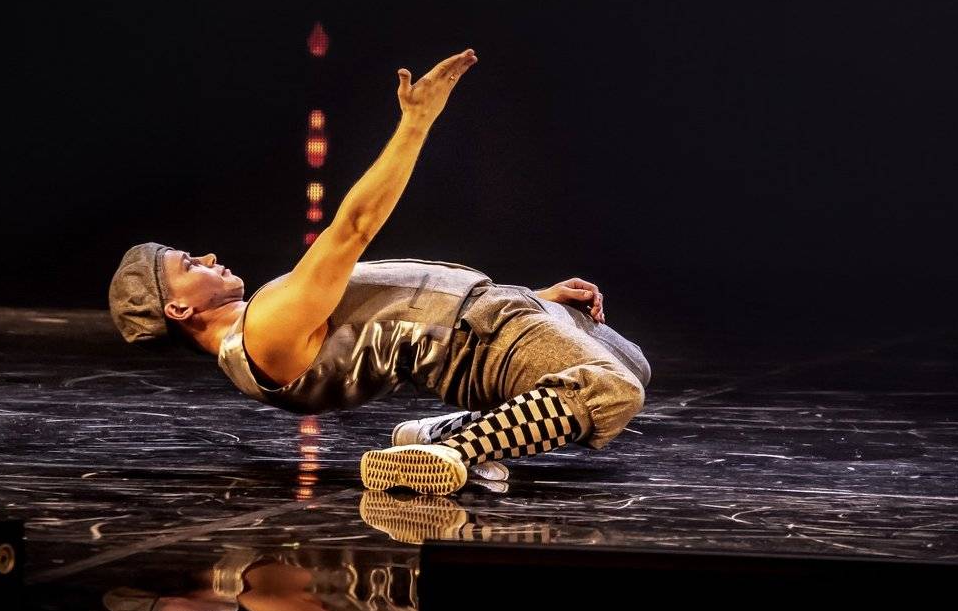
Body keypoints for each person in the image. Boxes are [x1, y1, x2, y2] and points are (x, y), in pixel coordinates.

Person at [108, 49, 649, 496]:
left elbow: (391, 306)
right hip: (476, 340)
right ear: (178, 308)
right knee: (611, 390)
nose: (206, 257)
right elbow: (353, 227)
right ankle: (453, 450)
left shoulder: (261, 325)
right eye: (188, 264)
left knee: (631, 364)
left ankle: (436, 434)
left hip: (490, 316)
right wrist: (416, 122)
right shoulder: (265, 330)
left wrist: (532, 297)